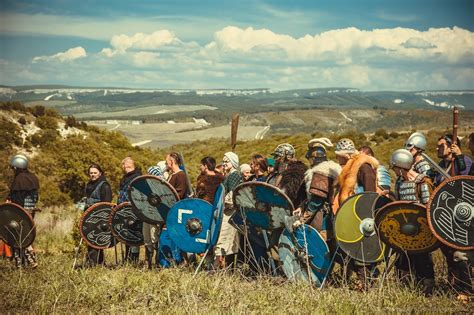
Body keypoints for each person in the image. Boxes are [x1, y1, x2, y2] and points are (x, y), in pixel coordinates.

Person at [334, 138, 379, 289]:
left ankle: (365, 281)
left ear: (345, 155)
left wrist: (366, 212)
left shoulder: (364, 167)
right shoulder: (350, 165)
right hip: (353, 213)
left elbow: (370, 195)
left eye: (338, 155)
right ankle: (363, 279)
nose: (336, 158)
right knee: (352, 248)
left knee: (362, 249)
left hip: (362, 215)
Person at [390, 149, 436, 296]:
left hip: (422, 228)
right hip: (404, 228)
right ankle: (405, 288)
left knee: (423, 258)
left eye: (395, 168)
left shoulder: (422, 181)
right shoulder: (399, 182)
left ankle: (427, 288)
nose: (395, 172)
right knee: (403, 259)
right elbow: (398, 203)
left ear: (401, 167)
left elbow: (428, 207)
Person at [435, 134, 473, 298]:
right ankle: (460, 287)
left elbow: (465, 181)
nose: (438, 148)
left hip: (466, 216)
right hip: (449, 216)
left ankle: (464, 289)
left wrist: (459, 157)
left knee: (461, 253)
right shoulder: (440, 166)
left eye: (441, 145)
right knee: (454, 254)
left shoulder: (464, 161)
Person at [6, 154, 40, 268]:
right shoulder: (32, 177)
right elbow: (36, 197)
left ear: (16, 167)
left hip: (20, 211)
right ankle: (27, 261)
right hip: (30, 210)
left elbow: (17, 199)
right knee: (26, 234)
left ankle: (24, 262)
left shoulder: (19, 179)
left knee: (17, 235)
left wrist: (11, 208)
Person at [215, 152, 242, 268]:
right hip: (226, 211)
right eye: (223, 161)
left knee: (226, 239)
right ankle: (226, 268)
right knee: (227, 241)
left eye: (227, 161)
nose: (224, 163)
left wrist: (224, 204)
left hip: (230, 212)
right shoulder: (229, 175)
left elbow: (233, 194)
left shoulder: (234, 175)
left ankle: (226, 269)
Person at [83, 163, 112, 266]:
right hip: (88, 215)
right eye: (91, 173)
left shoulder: (104, 185)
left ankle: (95, 263)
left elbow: (107, 204)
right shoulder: (89, 185)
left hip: (100, 217)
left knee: (96, 239)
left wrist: (104, 218)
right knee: (89, 239)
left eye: (95, 173)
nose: (93, 175)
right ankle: (95, 262)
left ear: (100, 173)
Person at [117, 157, 142, 263]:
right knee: (126, 236)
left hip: (134, 210)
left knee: (134, 236)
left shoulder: (137, 177)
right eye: (124, 166)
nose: (126, 167)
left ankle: (133, 261)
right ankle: (127, 260)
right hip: (124, 210)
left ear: (133, 165)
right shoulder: (125, 177)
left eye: (128, 166)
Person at [267, 143, 308, 207]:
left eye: (277, 156)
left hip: (292, 208)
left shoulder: (296, 173)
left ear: (287, 157)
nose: (275, 159)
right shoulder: (277, 173)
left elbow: (285, 194)